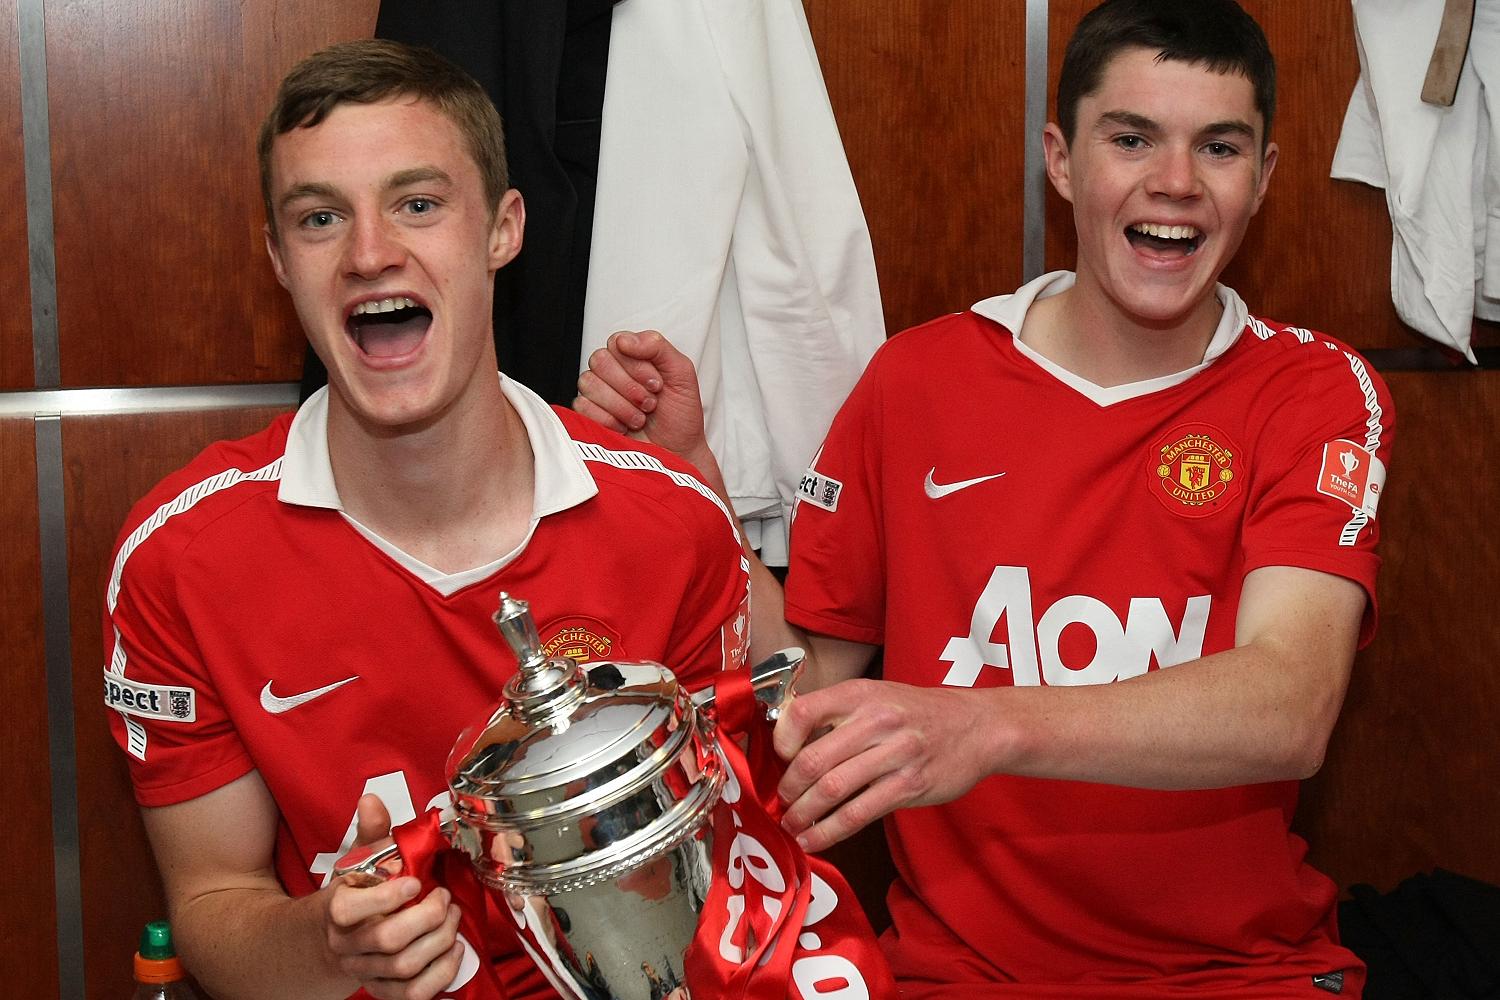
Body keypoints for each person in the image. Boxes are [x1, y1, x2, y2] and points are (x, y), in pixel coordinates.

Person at [575, 1, 1395, 996]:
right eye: (1130, 138)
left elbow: (1290, 702)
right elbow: (810, 695)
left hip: (1239, 974)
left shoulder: (1314, 390)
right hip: (958, 977)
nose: (1174, 183)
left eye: (1218, 147)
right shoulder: (914, 382)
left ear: (1262, 178)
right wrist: (693, 486)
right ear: (1060, 159)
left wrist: (988, 724)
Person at [102, 40, 750, 1000]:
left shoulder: (673, 520)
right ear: (281, 261)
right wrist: (329, 947)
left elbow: (731, 869)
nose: (371, 254)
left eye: (417, 203)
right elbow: (212, 900)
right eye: (321, 218)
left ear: (503, 228)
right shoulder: (178, 558)